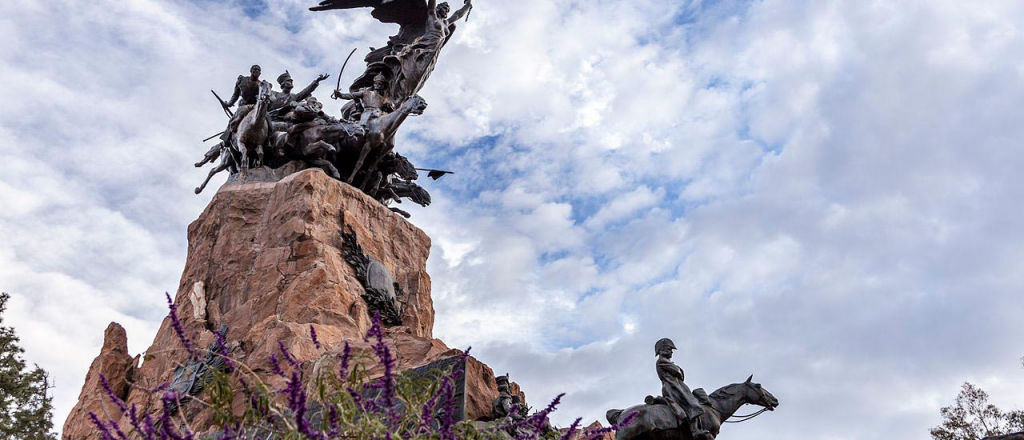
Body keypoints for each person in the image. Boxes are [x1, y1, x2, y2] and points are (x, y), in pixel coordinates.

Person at [656, 338, 710, 439]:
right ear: (662, 350)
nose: (671, 352)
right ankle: (694, 430)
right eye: (669, 349)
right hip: (673, 388)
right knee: (692, 404)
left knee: (693, 402)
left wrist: (679, 371)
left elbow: (680, 373)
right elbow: (678, 371)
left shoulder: (666, 362)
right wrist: (678, 369)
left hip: (677, 386)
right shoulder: (662, 361)